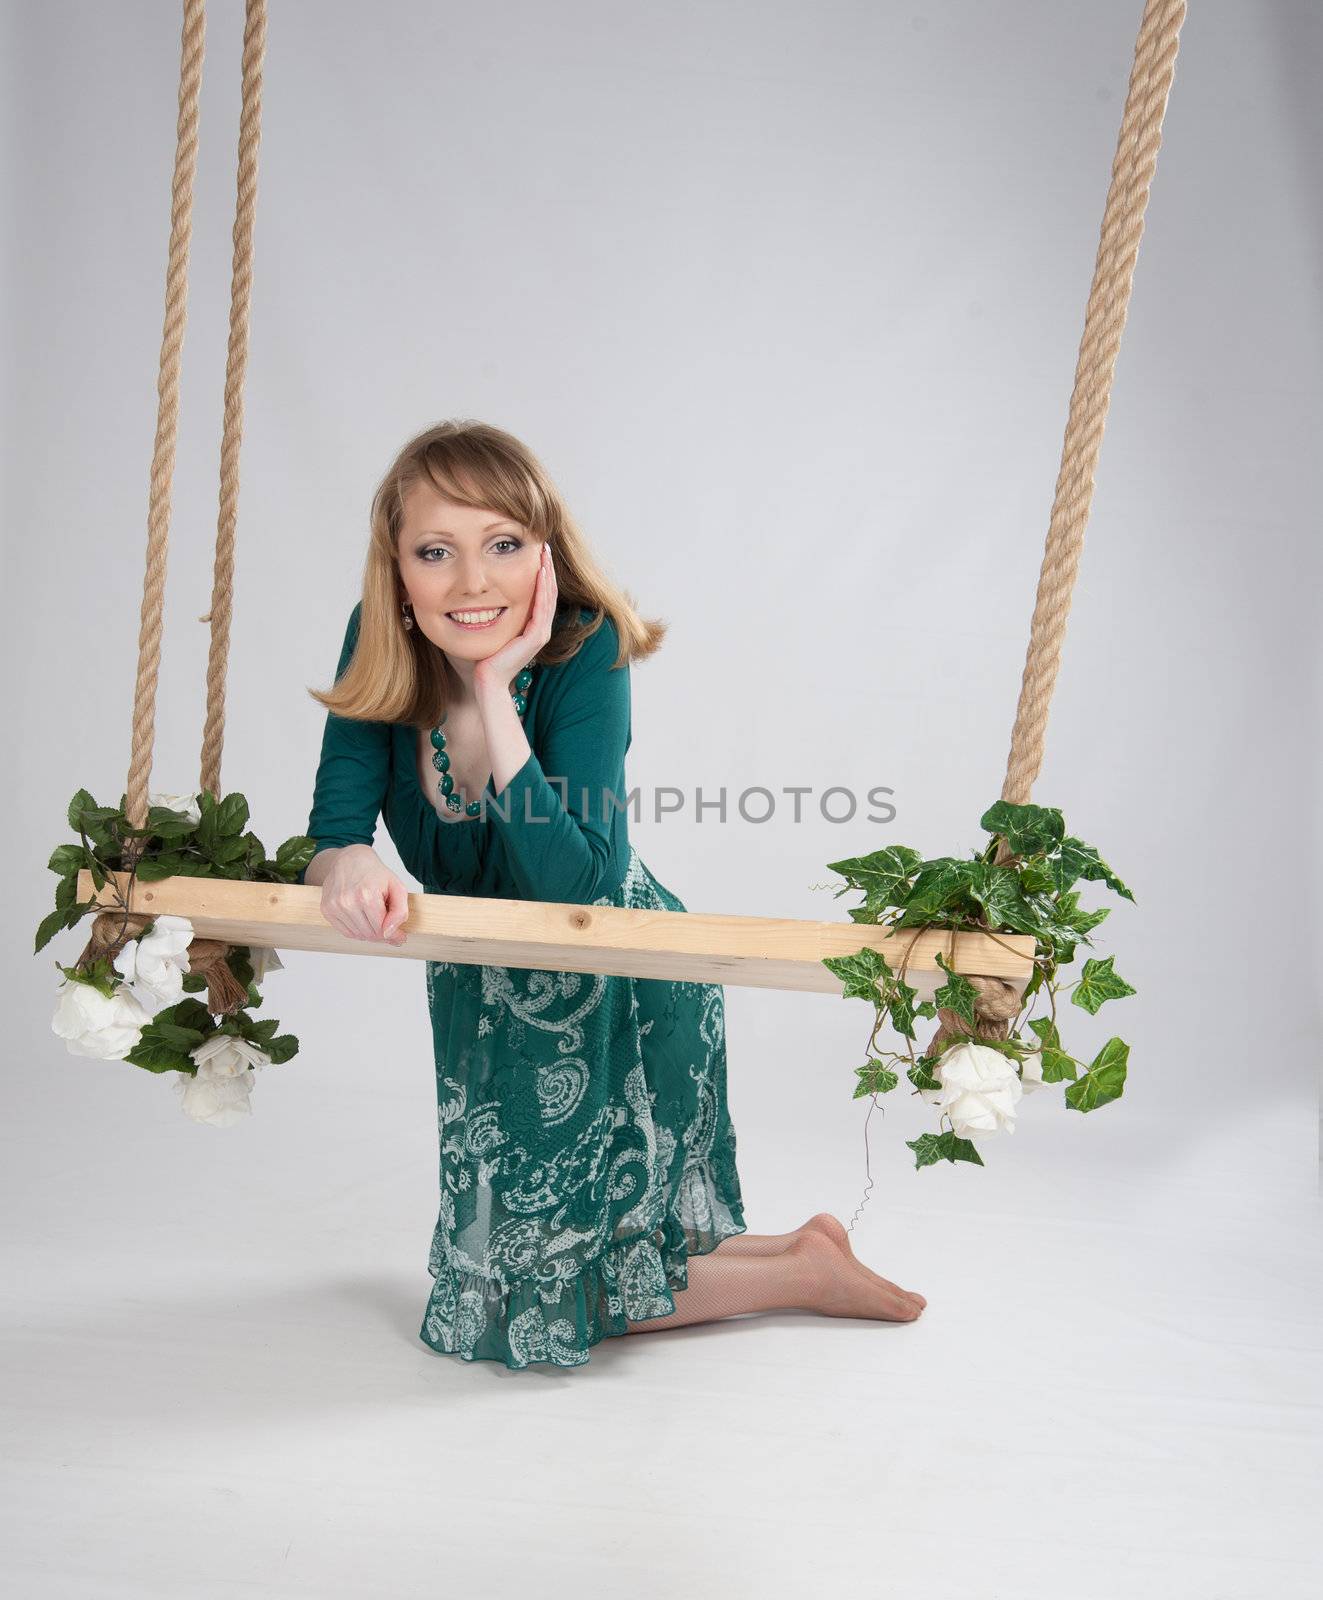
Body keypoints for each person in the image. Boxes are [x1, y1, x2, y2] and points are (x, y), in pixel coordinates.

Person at [298, 420, 926, 1369]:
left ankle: (802, 1273)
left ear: (544, 553)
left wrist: (498, 690)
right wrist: (341, 860)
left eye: (503, 545)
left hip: (613, 976)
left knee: (540, 1303)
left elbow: (576, 884)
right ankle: (800, 1250)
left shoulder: (586, 643)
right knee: (506, 1281)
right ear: (395, 571)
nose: (472, 583)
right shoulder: (377, 642)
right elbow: (334, 828)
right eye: (437, 552)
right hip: (483, 981)